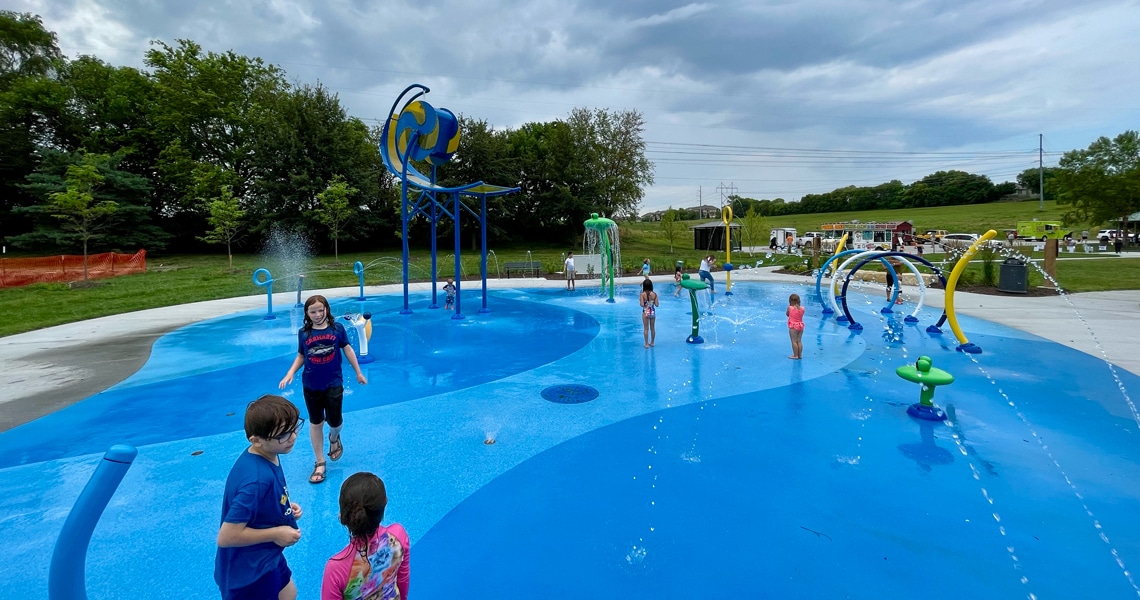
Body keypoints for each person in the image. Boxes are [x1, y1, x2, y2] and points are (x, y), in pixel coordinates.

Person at [215, 394, 304, 600]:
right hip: (248, 574)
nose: (292, 437)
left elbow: (262, 501)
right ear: (256, 440)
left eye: (294, 428)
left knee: (289, 593)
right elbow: (226, 536)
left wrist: (284, 507)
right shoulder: (255, 481)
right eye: (283, 434)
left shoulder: (268, 453)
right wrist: (275, 534)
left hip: (266, 558)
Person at [279, 295, 367, 485]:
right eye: (313, 311)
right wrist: (290, 373)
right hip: (311, 385)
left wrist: (358, 372)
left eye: (321, 310)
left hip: (333, 383)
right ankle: (320, 462)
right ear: (307, 314)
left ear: (327, 309)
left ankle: (334, 437)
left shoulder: (337, 329)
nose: (318, 314)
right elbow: (301, 355)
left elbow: (348, 350)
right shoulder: (304, 333)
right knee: (316, 422)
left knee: (335, 422)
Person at [322, 472, 410, 600]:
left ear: (342, 517)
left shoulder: (336, 569)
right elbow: (403, 579)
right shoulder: (398, 535)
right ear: (385, 504)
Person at [639, 278, 659, 348]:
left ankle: (646, 344)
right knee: (652, 328)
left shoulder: (642, 294)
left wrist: (645, 302)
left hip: (645, 312)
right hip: (652, 312)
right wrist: (651, 301)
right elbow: (657, 305)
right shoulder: (655, 294)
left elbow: (641, 305)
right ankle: (652, 342)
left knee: (646, 329)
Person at [786, 293, 804, 360]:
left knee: (794, 341)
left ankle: (795, 355)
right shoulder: (802, 308)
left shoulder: (790, 308)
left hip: (793, 326)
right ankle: (800, 355)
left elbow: (787, 314)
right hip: (800, 326)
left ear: (790, 301)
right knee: (799, 341)